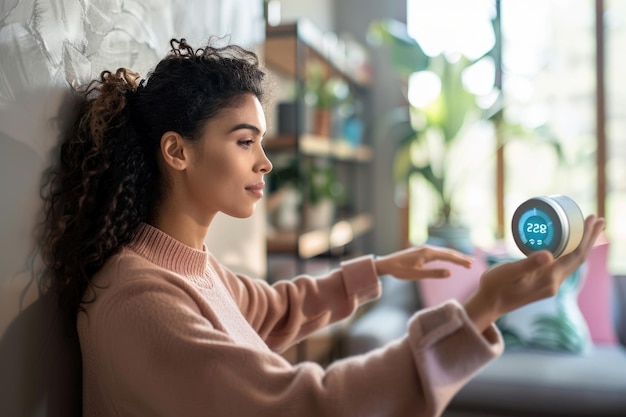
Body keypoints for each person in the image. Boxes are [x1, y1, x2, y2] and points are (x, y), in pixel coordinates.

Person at [40, 38, 605, 417]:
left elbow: (274, 311)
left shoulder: (186, 265)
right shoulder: (140, 299)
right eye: (245, 141)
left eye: (262, 142)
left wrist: (380, 267)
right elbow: (310, 405)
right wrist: (480, 310)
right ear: (177, 151)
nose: (265, 162)